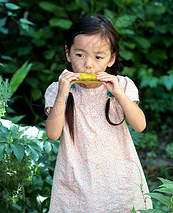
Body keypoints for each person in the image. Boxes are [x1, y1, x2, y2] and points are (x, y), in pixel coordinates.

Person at [44, 15, 153, 212]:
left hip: (119, 179)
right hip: (75, 180)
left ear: (111, 58)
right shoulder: (57, 90)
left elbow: (140, 125)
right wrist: (62, 93)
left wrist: (118, 93)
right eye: (80, 55)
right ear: (68, 53)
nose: (88, 64)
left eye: (98, 57)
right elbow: (52, 134)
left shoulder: (123, 86)